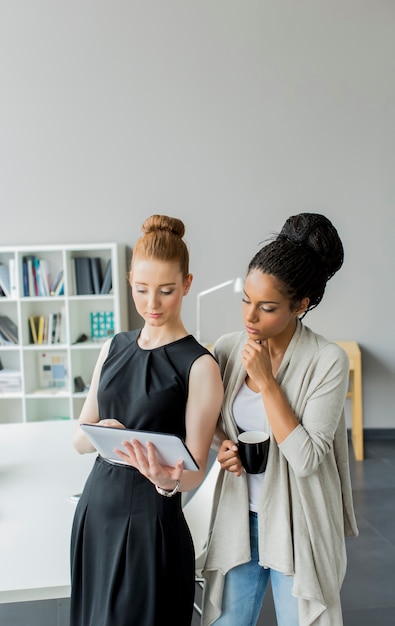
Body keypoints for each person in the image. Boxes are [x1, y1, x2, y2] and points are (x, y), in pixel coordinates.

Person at [201, 213, 359, 626]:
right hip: (241, 517)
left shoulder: (327, 361)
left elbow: (307, 459)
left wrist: (268, 384)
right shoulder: (229, 349)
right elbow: (215, 424)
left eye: (267, 308)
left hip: (299, 523)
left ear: (301, 305)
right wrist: (227, 448)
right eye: (245, 300)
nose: (249, 318)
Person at [69, 214, 224, 626]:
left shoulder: (199, 366)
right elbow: (80, 439)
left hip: (151, 525)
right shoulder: (113, 347)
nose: (152, 304)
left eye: (166, 291)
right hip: (97, 511)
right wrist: (103, 433)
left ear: (187, 285)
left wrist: (166, 477)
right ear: (129, 281)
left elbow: (193, 471)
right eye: (141, 290)